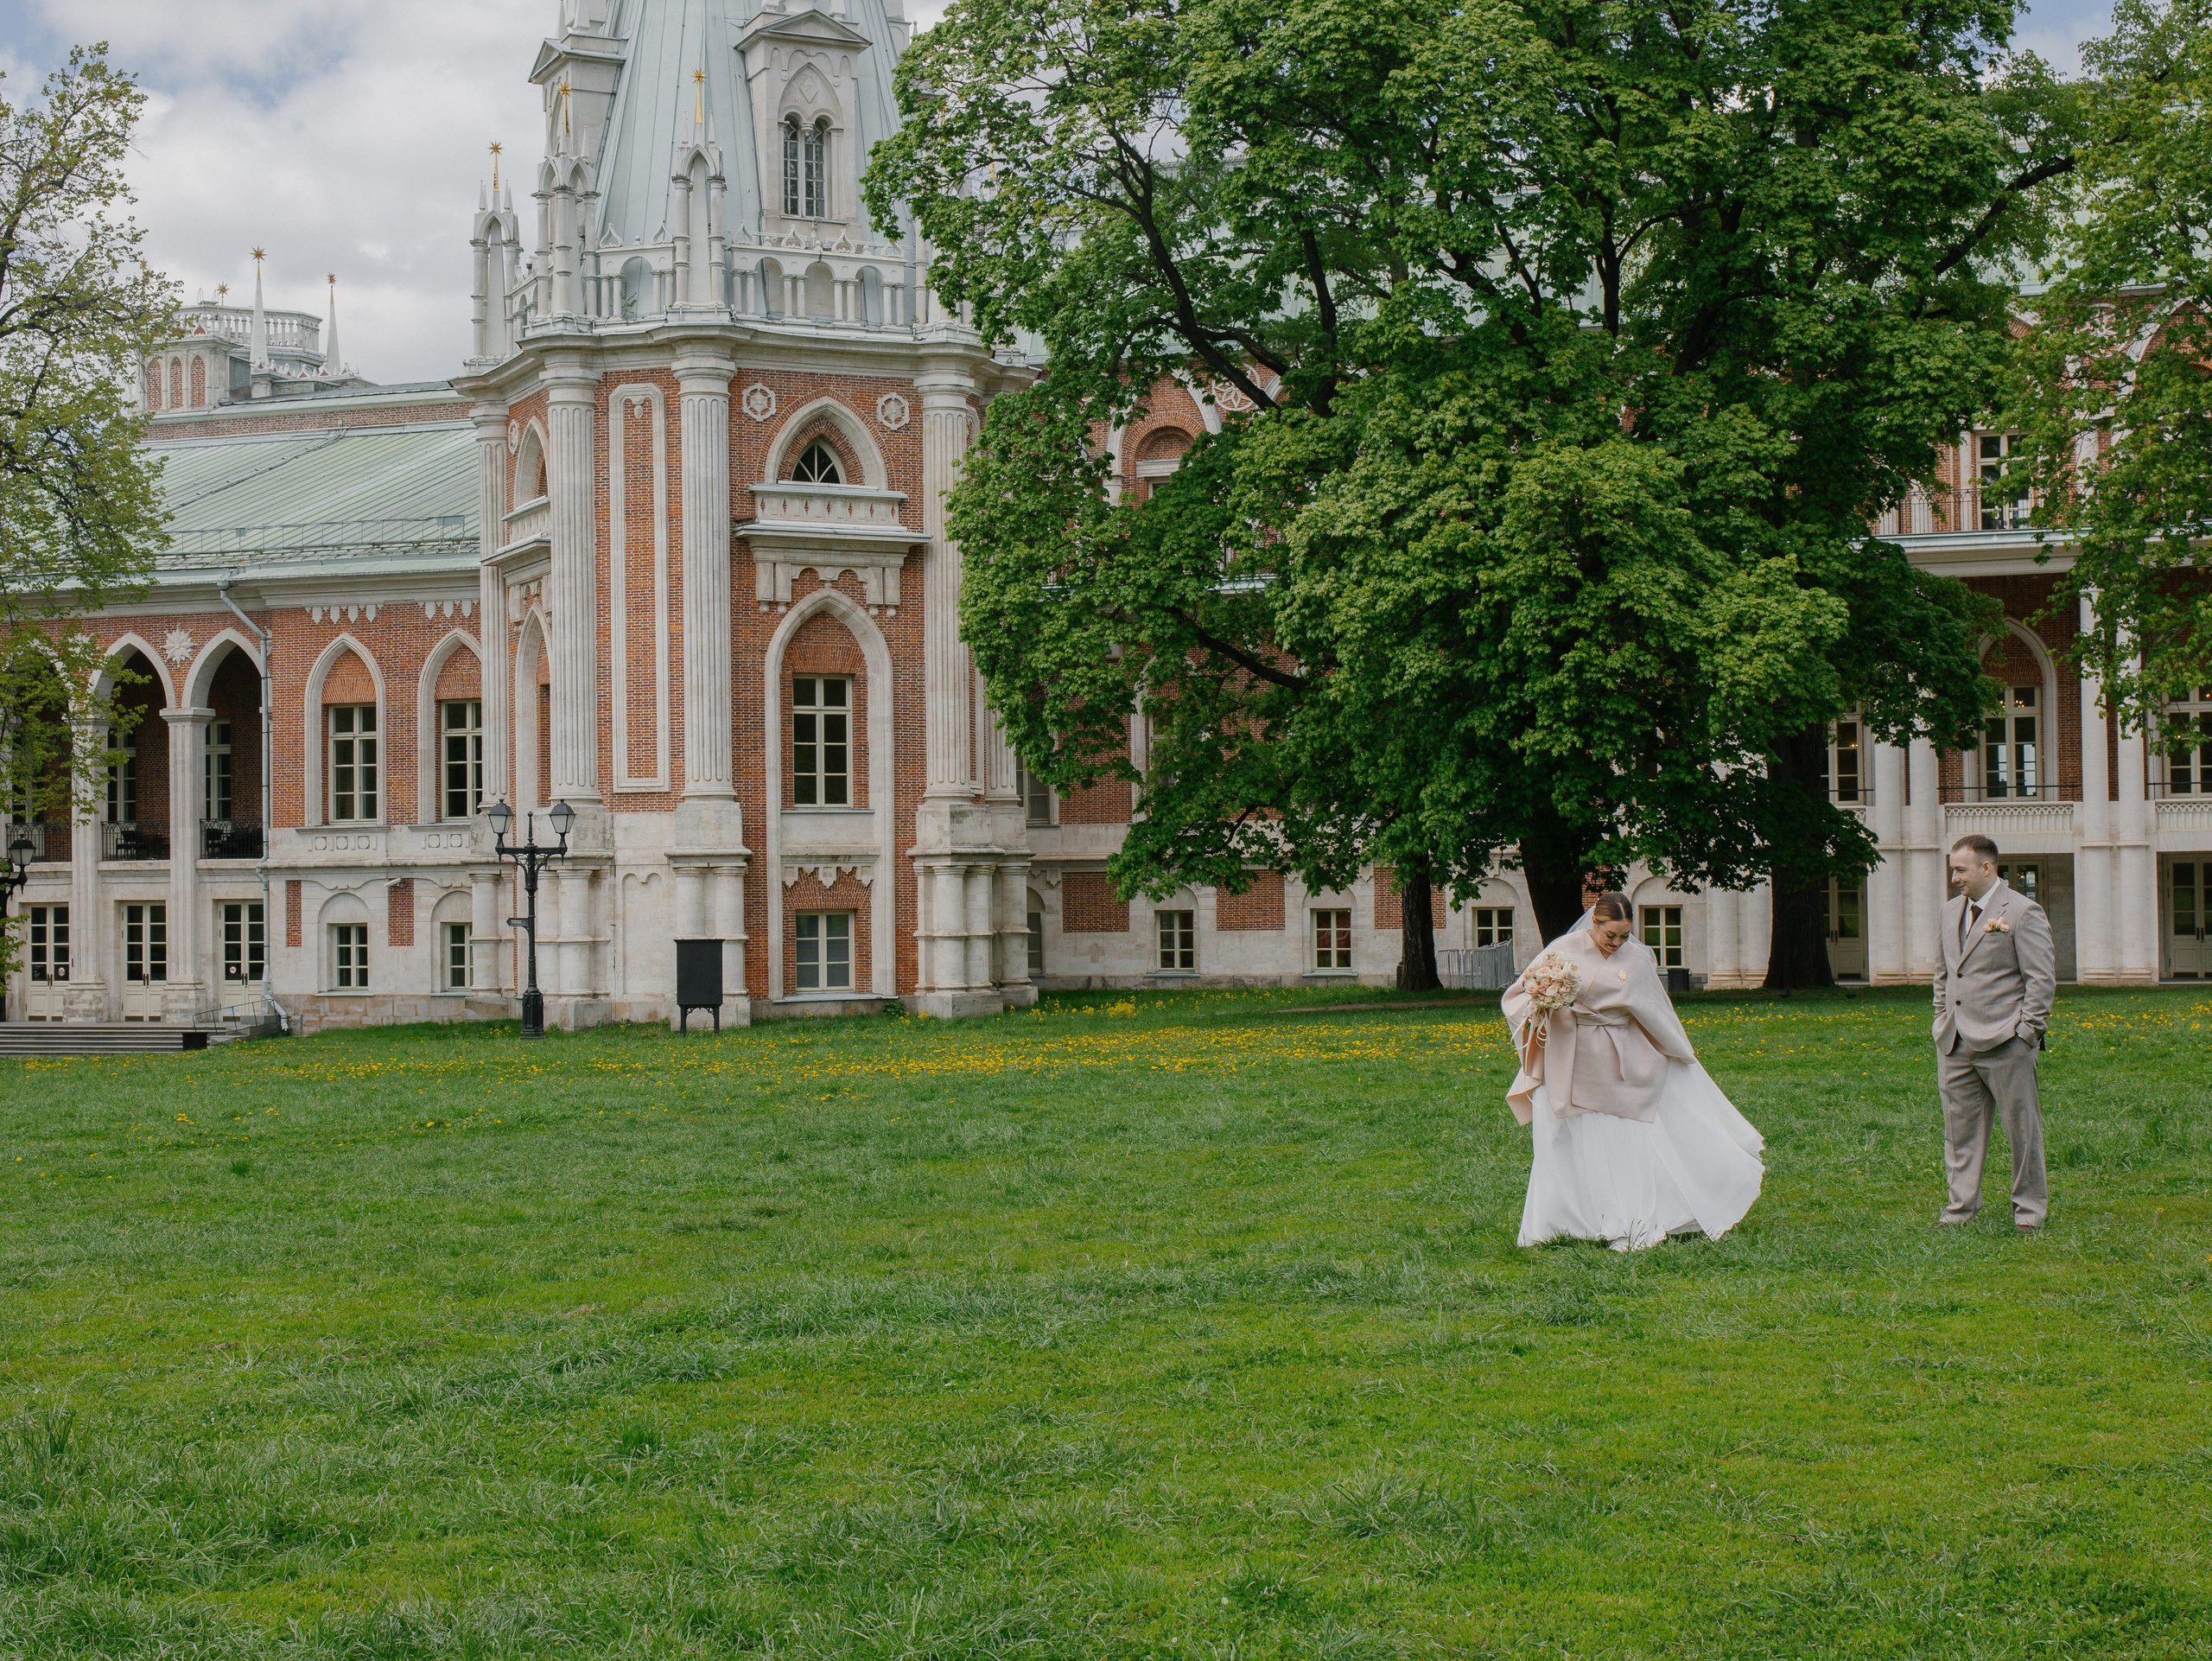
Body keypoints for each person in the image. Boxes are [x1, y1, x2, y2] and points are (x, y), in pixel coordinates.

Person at [1501, 893, 1764, 1251]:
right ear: (1594, 923)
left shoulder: (1636, 961)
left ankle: (1630, 1222)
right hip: (1566, 1057)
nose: (1617, 943)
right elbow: (1518, 997)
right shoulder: (1561, 950)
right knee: (1559, 1136)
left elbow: (1656, 1011)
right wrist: (1543, 1003)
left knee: (1617, 1137)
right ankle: (1556, 1223)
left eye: (1624, 936)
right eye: (1611, 934)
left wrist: (1679, 1052)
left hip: (1615, 1058)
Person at [1931, 834, 2054, 1231]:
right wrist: (1941, 1019)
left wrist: (2026, 1032)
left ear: (1987, 867)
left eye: (1961, 870)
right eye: (1953, 869)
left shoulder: (2022, 911)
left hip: (2006, 1042)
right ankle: (1960, 1210)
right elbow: (1944, 973)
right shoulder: (1951, 912)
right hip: (1954, 1042)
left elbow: (2041, 980)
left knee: (2023, 1132)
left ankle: (2029, 1213)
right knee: (1959, 1132)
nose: (1954, 878)